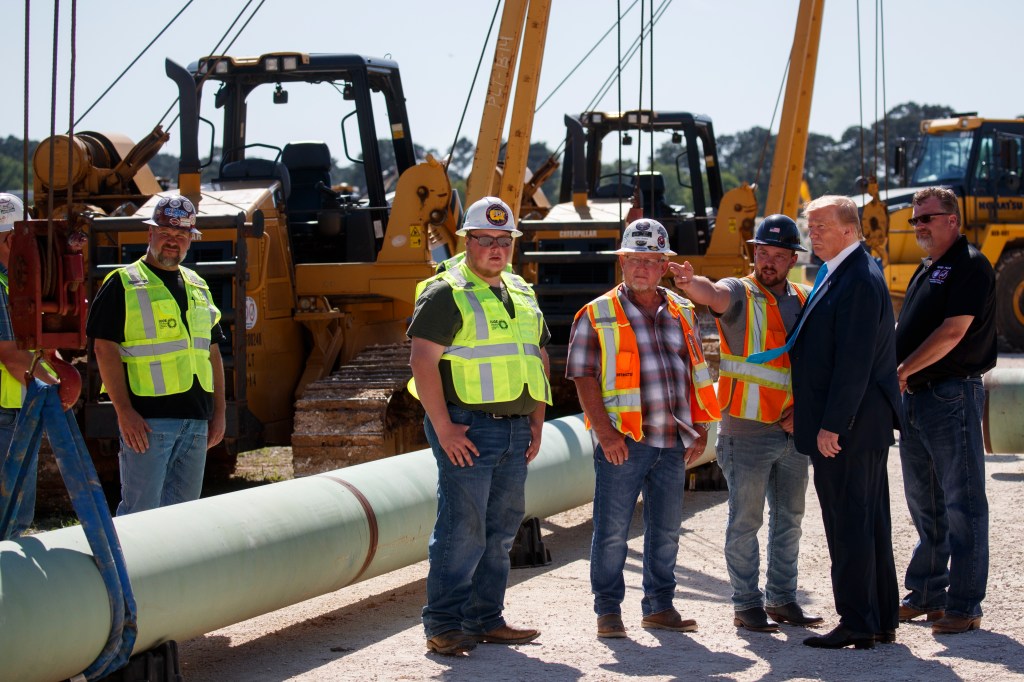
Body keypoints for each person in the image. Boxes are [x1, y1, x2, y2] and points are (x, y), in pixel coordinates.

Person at [409, 196, 551, 656]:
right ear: (467, 242)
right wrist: (444, 428)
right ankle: (444, 624)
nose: (496, 248)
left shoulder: (521, 290)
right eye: (485, 239)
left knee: (501, 529)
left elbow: (537, 354)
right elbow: (422, 361)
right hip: (467, 427)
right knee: (461, 529)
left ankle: (485, 618)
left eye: (503, 240)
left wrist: (537, 418)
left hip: (514, 428)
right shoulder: (446, 290)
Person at [566, 218, 721, 639]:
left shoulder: (682, 310)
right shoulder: (596, 314)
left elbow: (695, 371)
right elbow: (582, 376)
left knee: (667, 528)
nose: (642, 268)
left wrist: (700, 426)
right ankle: (608, 612)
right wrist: (606, 434)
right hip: (625, 442)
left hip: (673, 441)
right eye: (634, 259)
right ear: (622, 261)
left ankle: (659, 606)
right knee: (612, 530)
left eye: (652, 260)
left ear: (664, 266)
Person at [669, 214, 823, 633]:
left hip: (792, 429)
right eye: (762, 253)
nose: (768, 261)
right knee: (746, 521)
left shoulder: (806, 299)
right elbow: (712, 293)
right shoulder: (740, 292)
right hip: (746, 430)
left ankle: (782, 599)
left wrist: (805, 412)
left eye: (777, 255)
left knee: (789, 518)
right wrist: (689, 283)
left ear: (793, 258)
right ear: (753, 253)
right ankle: (746, 604)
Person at [782, 195, 900, 649]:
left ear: (849, 230)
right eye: (811, 227)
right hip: (855, 424)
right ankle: (879, 617)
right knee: (867, 521)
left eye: (821, 227)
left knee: (849, 522)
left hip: (847, 429)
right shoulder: (845, 272)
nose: (813, 235)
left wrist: (832, 425)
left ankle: (857, 622)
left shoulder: (858, 279)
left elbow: (854, 363)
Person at [895, 187, 996, 635]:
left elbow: (954, 332)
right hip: (917, 397)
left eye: (927, 218)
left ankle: (964, 604)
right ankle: (928, 594)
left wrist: (902, 369)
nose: (919, 226)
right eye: (915, 219)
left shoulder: (969, 264)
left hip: (950, 394)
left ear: (952, 219)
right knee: (925, 505)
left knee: (963, 502)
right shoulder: (927, 268)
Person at [87, 194, 226, 515]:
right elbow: (103, 348)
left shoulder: (198, 285)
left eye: (181, 236)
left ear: (191, 240)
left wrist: (218, 414)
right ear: (150, 234)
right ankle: (129, 566)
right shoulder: (123, 283)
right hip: (148, 423)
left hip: (195, 421)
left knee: (182, 517)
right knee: (141, 513)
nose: (172, 242)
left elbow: (212, 353)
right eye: (165, 234)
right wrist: (124, 412)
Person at [0, 193, 60, 536]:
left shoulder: (14, 284)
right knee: (10, 521)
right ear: (13, 238)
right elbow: (11, 355)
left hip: (16, 410)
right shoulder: (2, 286)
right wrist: (56, 389)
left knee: (15, 520)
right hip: (7, 414)